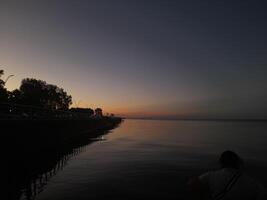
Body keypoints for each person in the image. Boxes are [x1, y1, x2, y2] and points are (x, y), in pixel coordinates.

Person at [187, 151, 266, 200]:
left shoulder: (211, 175)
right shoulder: (253, 183)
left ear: (221, 163)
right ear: (238, 163)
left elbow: (191, 184)